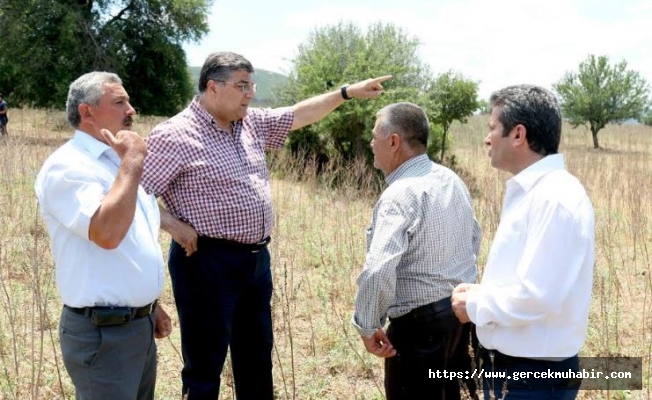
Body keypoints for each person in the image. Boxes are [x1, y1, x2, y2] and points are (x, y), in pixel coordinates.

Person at [140, 51, 391, 400]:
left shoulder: (250, 123)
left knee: (256, 359)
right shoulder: (175, 135)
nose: (250, 94)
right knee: (204, 364)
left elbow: (299, 114)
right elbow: (135, 194)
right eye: (242, 85)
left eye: (252, 85)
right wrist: (173, 225)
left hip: (256, 262)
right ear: (212, 87)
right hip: (206, 262)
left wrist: (346, 92)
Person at [34, 71, 173, 400]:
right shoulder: (68, 167)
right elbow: (107, 233)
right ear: (87, 112)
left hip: (134, 327)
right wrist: (135, 159)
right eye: (119, 102)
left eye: (128, 101)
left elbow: (132, 241)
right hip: (103, 334)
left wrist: (147, 303)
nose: (132, 110)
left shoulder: (115, 163)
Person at [451, 85, 595, 400]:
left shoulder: (553, 198)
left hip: (532, 379)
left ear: (518, 134)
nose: (486, 139)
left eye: (492, 128)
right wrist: (479, 294)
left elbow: (537, 297)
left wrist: (474, 305)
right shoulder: (538, 193)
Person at [352, 102, 482, 400]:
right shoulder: (452, 180)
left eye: (375, 136)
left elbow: (378, 269)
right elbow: (473, 238)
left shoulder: (400, 194)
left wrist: (368, 325)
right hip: (459, 318)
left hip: (419, 329)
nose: (372, 143)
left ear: (394, 142)